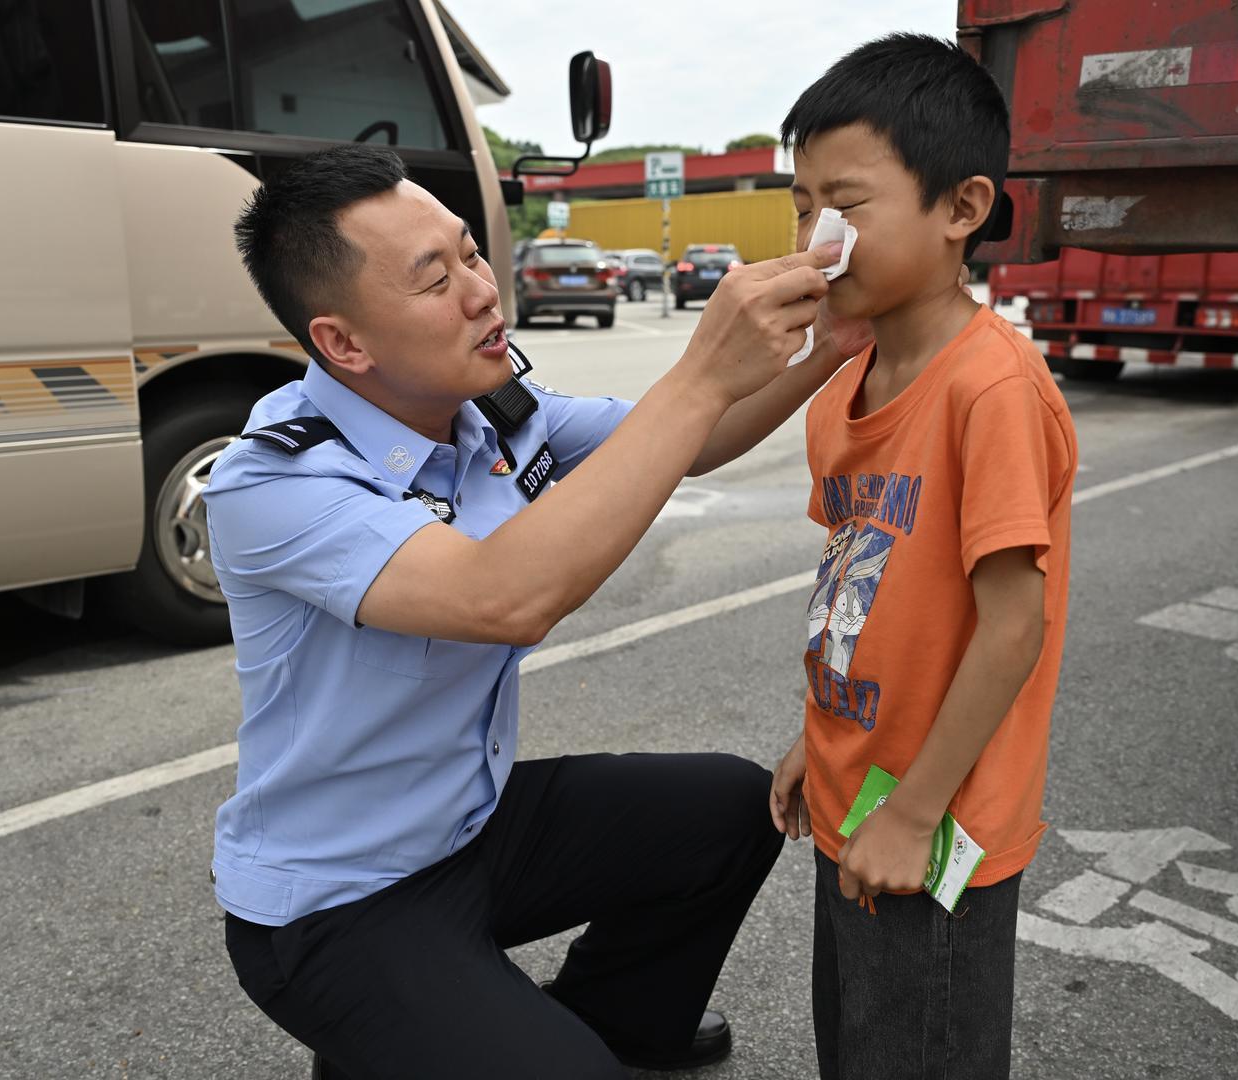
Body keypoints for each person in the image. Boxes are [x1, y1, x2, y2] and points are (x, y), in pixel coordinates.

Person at [204, 144, 867, 1079]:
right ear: (343, 342)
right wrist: (703, 370)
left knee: (726, 808)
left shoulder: (495, 410)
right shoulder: (274, 478)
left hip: (467, 832)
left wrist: (836, 338)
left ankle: (622, 1025)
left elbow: (688, 440)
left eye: (472, 253)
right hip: (338, 898)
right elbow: (501, 596)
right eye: (436, 280)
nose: (482, 291)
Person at [766, 33, 1080, 1080]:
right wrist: (819, 740)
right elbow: (860, 588)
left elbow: (1012, 623)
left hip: (931, 824)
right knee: (857, 1045)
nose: (817, 236)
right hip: (854, 794)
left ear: (960, 209)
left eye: (846, 206)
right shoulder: (847, 382)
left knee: (919, 1051)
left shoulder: (986, 389)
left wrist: (910, 811)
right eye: (800, 205)